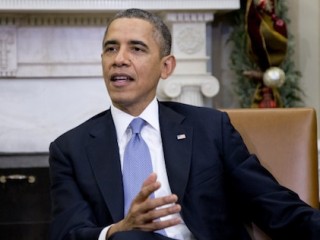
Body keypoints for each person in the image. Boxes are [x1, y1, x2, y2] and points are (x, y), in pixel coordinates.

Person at [49, 8, 320, 240]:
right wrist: (118, 229)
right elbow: (69, 232)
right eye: (111, 48)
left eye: (136, 48)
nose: (119, 59)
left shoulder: (210, 128)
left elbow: (272, 204)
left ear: (166, 67)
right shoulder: (71, 149)